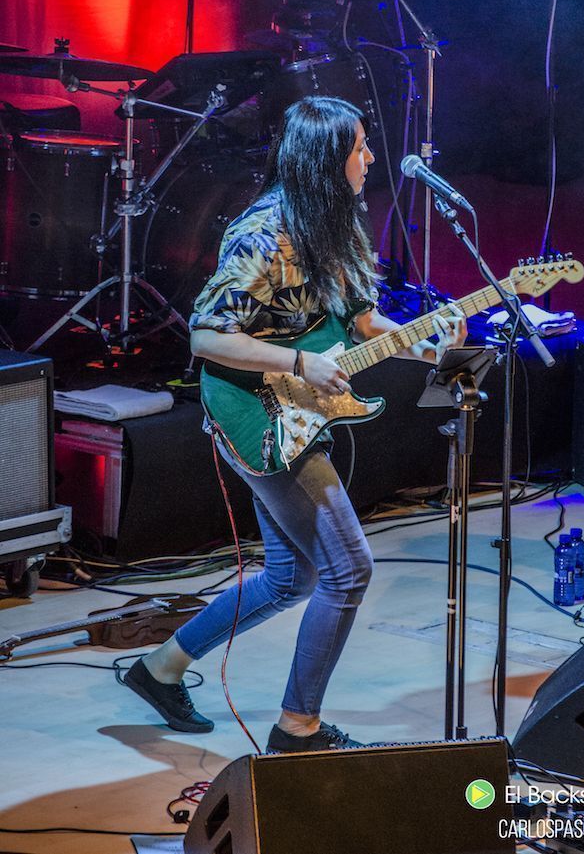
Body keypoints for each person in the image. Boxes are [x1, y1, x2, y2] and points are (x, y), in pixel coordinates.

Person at [124, 96, 466, 752]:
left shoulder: (339, 225)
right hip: (256, 414)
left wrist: (428, 344)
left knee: (291, 579)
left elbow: (360, 323)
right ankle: (297, 729)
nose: (370, 157)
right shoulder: (264, 233)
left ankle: (160, 667)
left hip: (298, 410)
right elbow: (206, 336)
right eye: (360, 147)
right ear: (326, 160)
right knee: (348, 570)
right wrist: (300, 362)